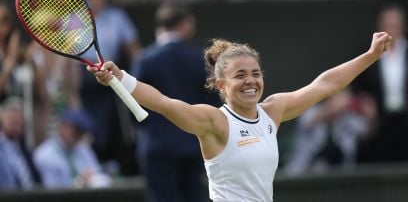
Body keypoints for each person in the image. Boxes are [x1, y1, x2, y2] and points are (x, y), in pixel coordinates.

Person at [88, 32, 391, 201]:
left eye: (256, 74)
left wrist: (370, 56)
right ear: (221, 85)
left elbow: (324, 85)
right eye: (240, 75)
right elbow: (164, 103)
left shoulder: (273, 111)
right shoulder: (214, 122)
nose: (251, 81)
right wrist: (121, 78)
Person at [131, 3, 221, 202]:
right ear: (185, 24)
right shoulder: (198, 59)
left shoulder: (144, 59)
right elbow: (213, 102)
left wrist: (149, 129)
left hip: (157, 147)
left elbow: (133, 105)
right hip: (193, 144)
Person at [75, 0, 141, 174]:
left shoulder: (117, 17)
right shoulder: (73, 20)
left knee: (116, 126)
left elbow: (134, 50)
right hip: (82, 80)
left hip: (110, 75)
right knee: (90, 129)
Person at [353, 4, 408, 162]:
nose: (391, 30)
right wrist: (365, 103)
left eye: (395, 25)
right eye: (387, 25)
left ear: (403, 27)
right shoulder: (368, 57)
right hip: (379, 124)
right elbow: (358, 88)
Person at [285, 88, 376, 175]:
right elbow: (311, 121)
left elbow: (368, 133)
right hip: (303, 172)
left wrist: (370, 117)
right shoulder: (311, 112)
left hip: (340, 175)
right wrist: (333, 110)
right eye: (339, 97)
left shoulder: (349, 119)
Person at [33, 108, 111, 189]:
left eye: (82, 131)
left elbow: (98, 174)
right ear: (62, 126)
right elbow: (51, 190)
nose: (79, 135)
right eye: (76, 130)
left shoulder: (84, 150)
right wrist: (79, 182)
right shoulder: (44, 154)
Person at [0, 96, 40, 189]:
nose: (16, 122)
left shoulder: (26, 149)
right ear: (2, 121)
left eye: (18, 119)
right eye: (11, 118)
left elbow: (35, 178)